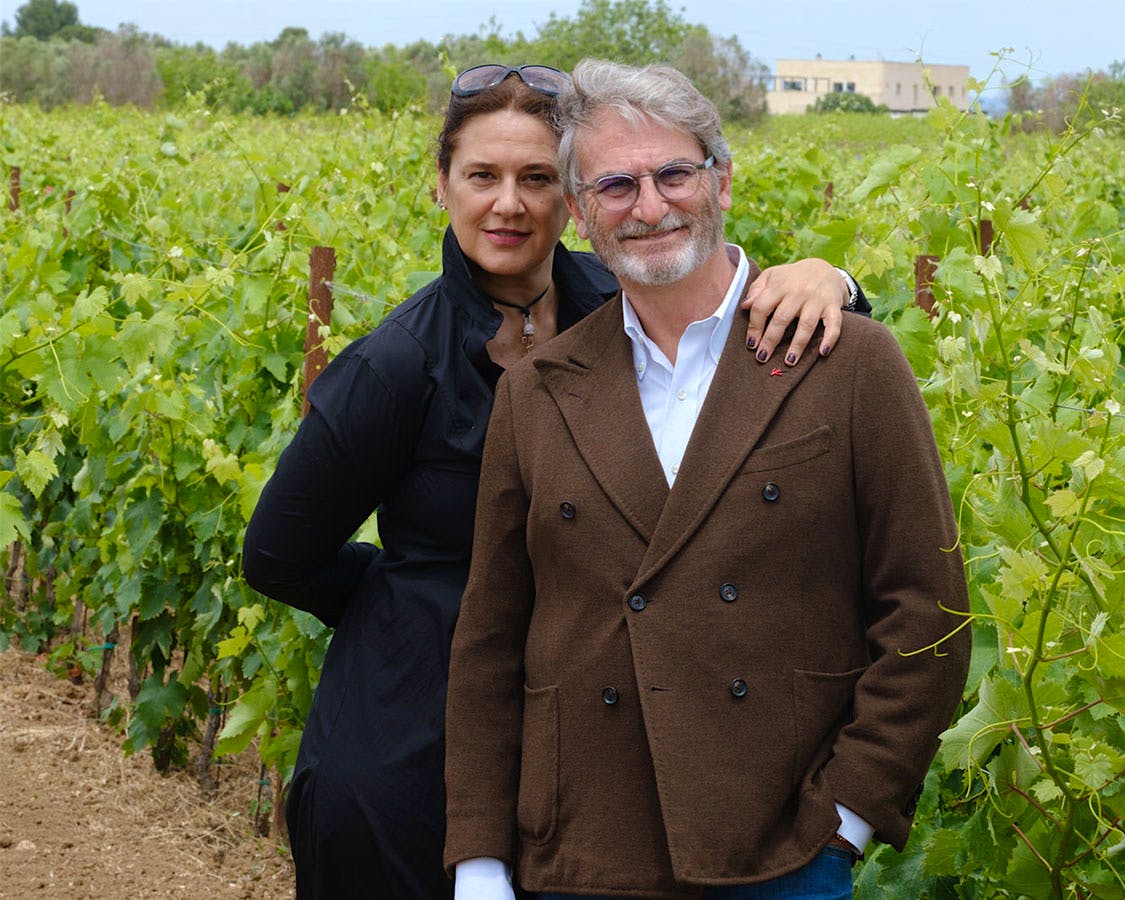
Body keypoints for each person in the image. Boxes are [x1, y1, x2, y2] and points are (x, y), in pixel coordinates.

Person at [240, 63, 869, 900]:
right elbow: (277, 553)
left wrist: (836, 281)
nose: (510, 204)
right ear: (441, 187)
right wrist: (414, 598)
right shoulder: (393, 366)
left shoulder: (616, 301)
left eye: (536, 178)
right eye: (483, 176)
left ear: (571, 198)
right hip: (410, 746)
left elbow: (756, 349)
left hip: (586, 758)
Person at [444, 59, 970, 900]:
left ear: (721, 178)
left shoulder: (846, 359)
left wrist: (849, 818)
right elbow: (490, 644)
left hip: (781, 849)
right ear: (578, 213)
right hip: (582, 853)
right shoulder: (536, 393)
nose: (649, 205)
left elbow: (927, 611)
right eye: (614, 185)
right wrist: (478, 860)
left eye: (673, 173)